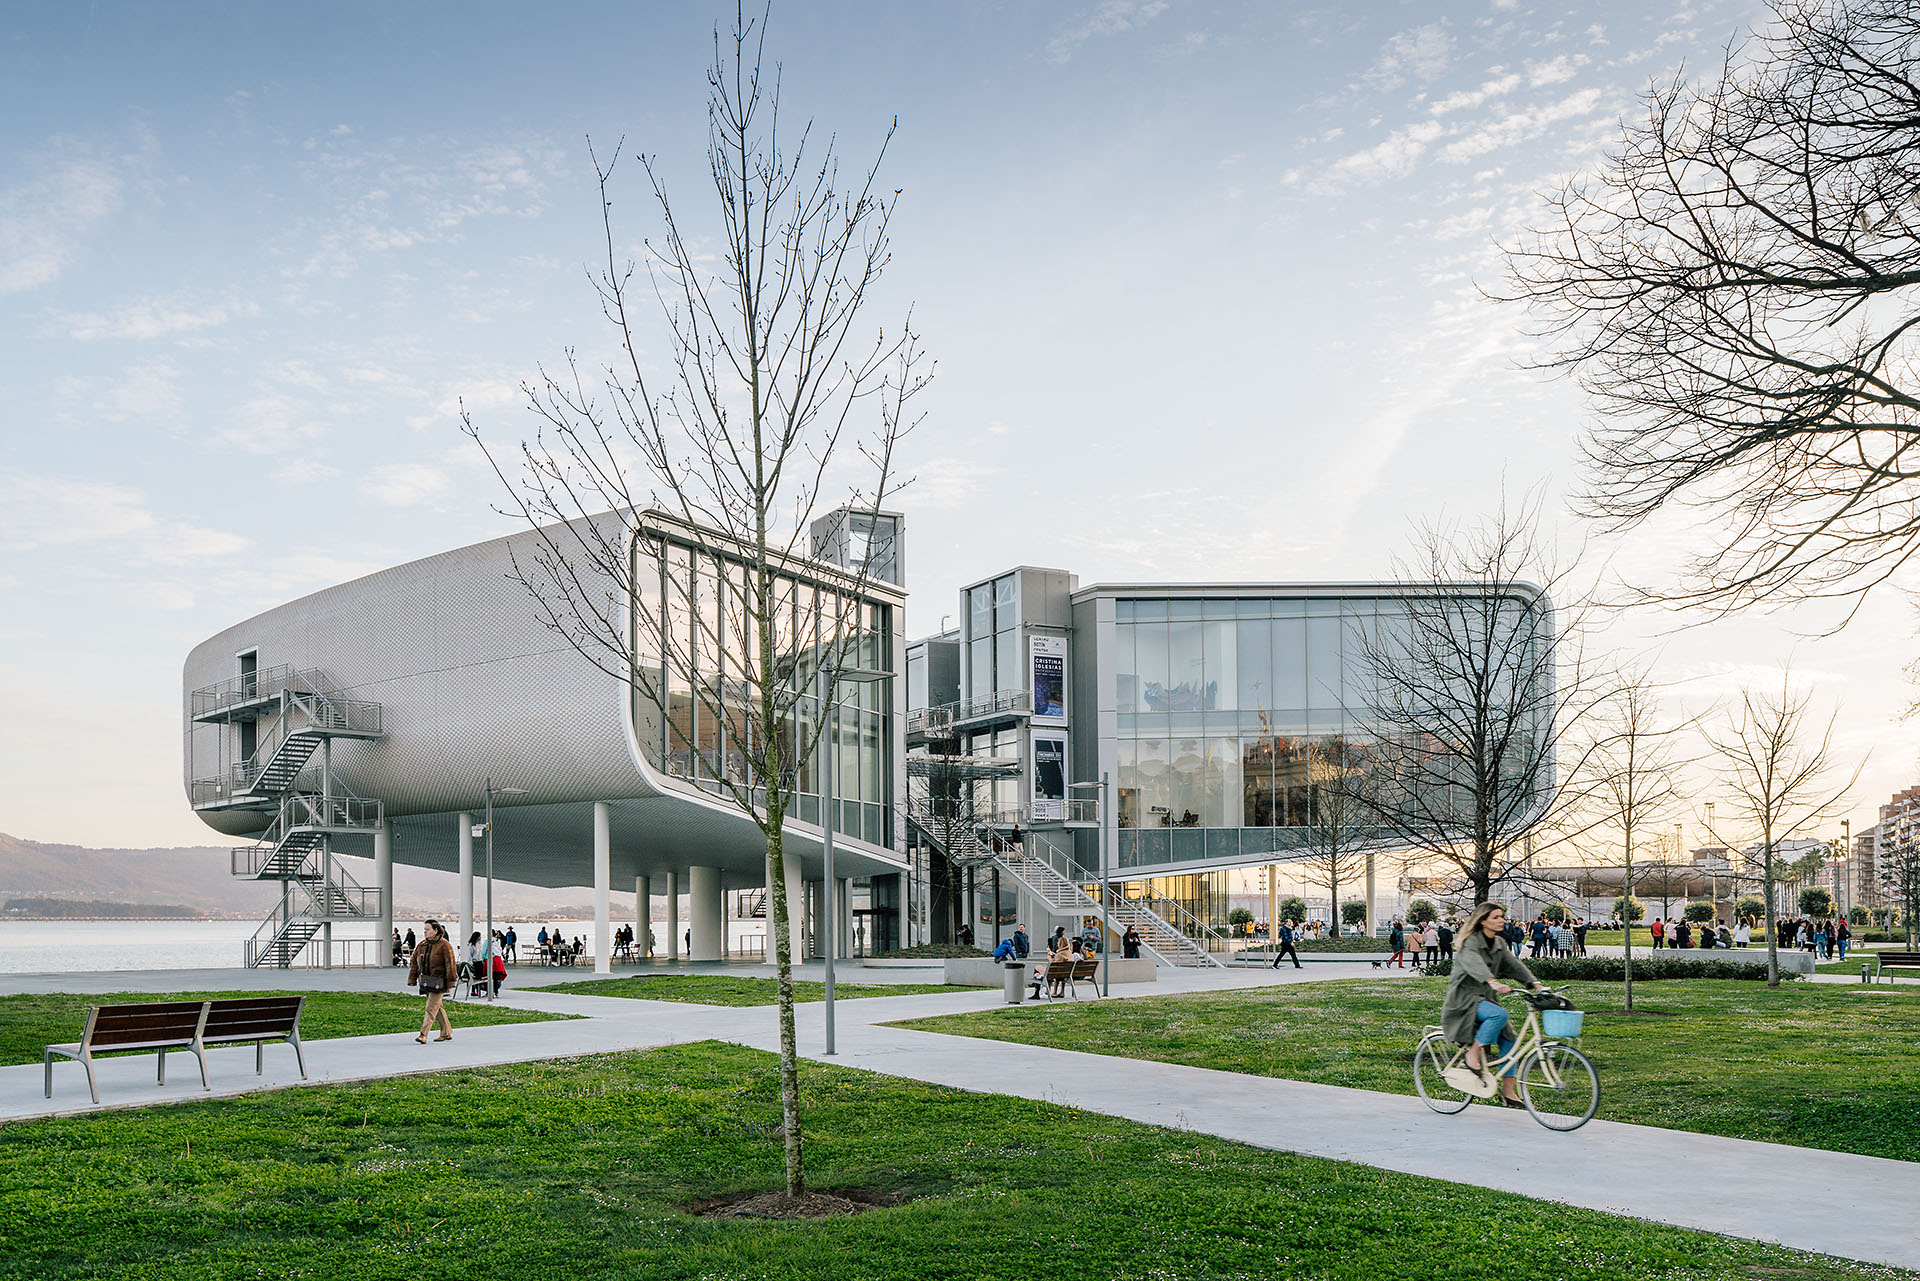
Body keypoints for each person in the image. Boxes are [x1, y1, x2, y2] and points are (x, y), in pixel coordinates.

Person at [1442, 903, 1547, 1106]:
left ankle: (1509, 1092)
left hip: (1485, 998)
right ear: (1483, 921)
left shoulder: (1499, 943)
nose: (1501, 920)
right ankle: (1472, 1054)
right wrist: (1493, 982)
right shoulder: (1470, 943)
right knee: (1498, 1015)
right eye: (1495, 917)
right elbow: (1474, 963)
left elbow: (1514, 964)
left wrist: (1535, 983)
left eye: (1502, 917)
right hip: (1465, 999)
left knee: (1510, 1040)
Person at [407, 919, 458, 1043]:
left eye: (428, 929)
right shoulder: (422, 945)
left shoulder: (444, 945)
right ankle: (446, 1033)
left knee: (430, 1008)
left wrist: (451, 982)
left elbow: (450, 964)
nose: (425, 932)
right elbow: (414, 962)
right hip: (426, 981)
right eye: (424, 929)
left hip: (439, 982)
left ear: (435, 931)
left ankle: (423, 1035)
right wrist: (412, 979)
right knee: (437, 1007)